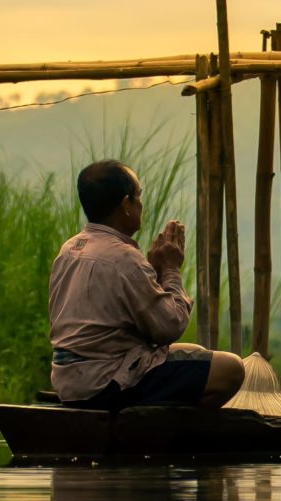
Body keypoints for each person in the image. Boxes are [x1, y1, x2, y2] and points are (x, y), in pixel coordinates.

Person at [47, 159, 244, 409]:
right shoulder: (123, 257)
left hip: (71, 382)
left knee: (193, 351)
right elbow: (169, 327)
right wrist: (170, 269)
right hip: (107, 382)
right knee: (231, 368)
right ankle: (166, 434)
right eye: (138, 197)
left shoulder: (70, 249)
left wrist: (152, 270)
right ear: (125, 205)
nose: (141, 204)